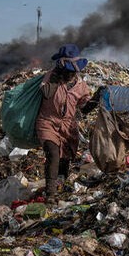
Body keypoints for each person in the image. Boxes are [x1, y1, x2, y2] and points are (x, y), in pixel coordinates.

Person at [35, 44, 98, 201]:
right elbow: (46, 93)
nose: (71, 74)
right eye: (68, 70)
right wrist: (56, 79)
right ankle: (50, 194)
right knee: (53, 154)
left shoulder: (80, 85)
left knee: (65, 158)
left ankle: (61, 185)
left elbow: (84, 108)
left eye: (74, 71)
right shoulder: (51, 76)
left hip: (68, 126)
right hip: (48, 121)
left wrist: (97, 99)